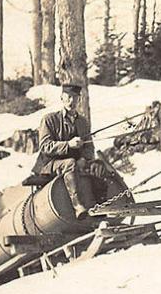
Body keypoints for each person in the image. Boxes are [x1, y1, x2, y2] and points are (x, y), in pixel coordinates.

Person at [31, 84, 106, 219]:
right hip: (49, 164)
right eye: (68, 97)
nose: (71, 101)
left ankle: (100, 205)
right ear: (62, 98)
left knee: (99, 165)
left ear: (79, 100)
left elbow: (89, 147)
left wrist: (84, 159)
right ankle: (77, 205)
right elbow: (45, 147)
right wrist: (68, 145)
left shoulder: (83, 122)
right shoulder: (49, 120)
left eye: (75, 98)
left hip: (76, 162)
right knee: (69, 163)